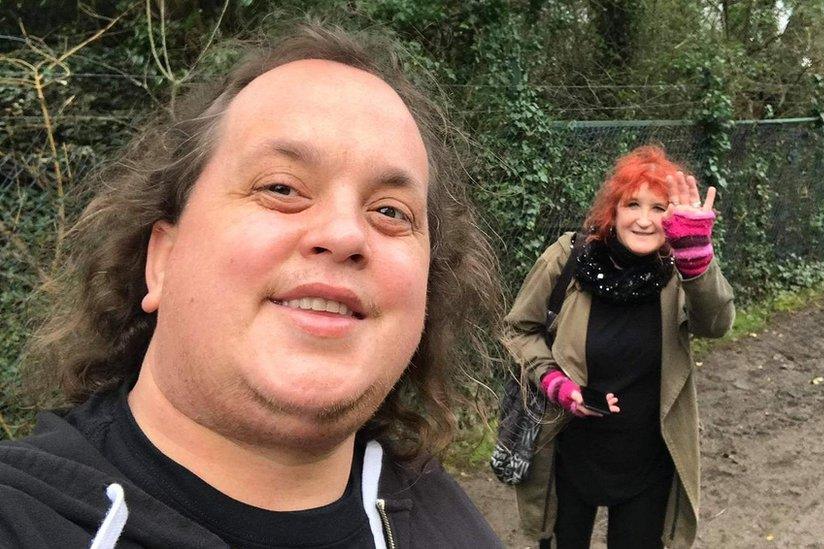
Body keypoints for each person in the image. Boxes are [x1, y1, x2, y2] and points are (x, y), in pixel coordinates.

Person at [0, 24, 503, 549]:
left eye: (389, 212)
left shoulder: (448, 520)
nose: (344, 234)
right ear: (162, 262)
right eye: (281, 188)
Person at [503, 145, 735, 548]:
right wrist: (559, 384)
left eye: (659, 208)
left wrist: (696, 258)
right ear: (614, 209)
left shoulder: (680, 270)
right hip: (567, 451)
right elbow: (518, 330)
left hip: (648, 460)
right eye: (633, 204)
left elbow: (716, 325)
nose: (644, 220)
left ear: (674, 216)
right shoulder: (568, 258)